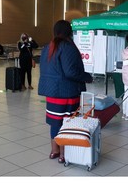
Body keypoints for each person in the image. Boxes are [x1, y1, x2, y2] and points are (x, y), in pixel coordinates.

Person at [38, 20, 93, 164]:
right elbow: (70, 72)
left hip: (52, 92)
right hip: (67, 91)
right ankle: (64, 154)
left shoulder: (47, 47)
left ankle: (54, 151)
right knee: (67, 122)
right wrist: (87, 77)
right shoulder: (67, 46)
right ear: (69, 32)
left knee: (55, 122)